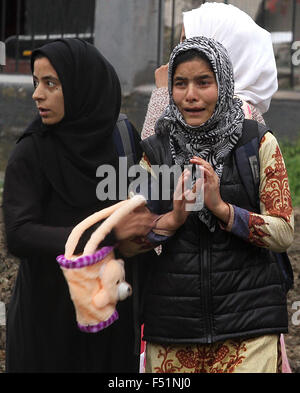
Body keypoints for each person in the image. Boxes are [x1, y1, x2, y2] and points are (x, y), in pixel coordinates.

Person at [141, 2, 293, 373]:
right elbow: (133, 234)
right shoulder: (157, 150)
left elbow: (284, 231)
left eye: (204, 82)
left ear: (224, 81)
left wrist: (223, 209)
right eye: (180, 83)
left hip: (248, 325)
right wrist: (174, 219)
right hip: (173, 327)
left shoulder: (255, 140)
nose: (190, 95)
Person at [2, 38, 155, 373]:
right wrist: (108, 234)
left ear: (83, 86)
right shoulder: (32, 152)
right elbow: (20, 234)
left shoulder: (122, 140)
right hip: (46, 324)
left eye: (50, 84)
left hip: (111, 317)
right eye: (35, 82)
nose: (37, 94)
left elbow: (144, 209)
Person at [141, 2, 278, 140]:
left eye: (186, 40)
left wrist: (163, 92)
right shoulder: (243, 110)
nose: (180, 49)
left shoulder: (229, 115)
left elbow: (154, 152)